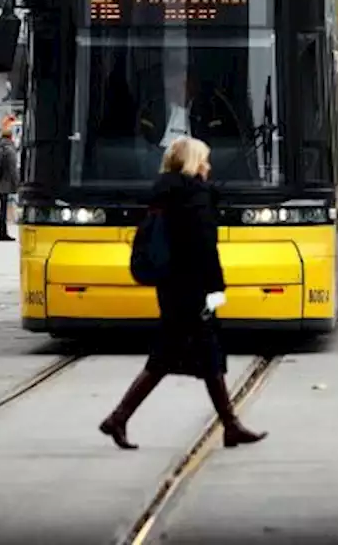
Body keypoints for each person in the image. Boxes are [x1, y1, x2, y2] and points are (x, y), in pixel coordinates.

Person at [99, 137, 266, 450]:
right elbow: (205, 250)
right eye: (204, 160)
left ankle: (229, 425)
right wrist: (216, 290)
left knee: (192, 357)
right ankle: (121, 418)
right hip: (194, 291)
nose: (208, 166)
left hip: (171, 287)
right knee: (188, 356)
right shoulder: (195, 198)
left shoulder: (163, 194)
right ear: (193, 163)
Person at [0, 121, 20, 242]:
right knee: (4, 210)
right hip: (7, 184)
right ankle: (3, 233)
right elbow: (13, 170)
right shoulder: (9, 150)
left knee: (2, 209)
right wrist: (17, 184)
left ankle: (2, 232)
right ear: (11, 137)